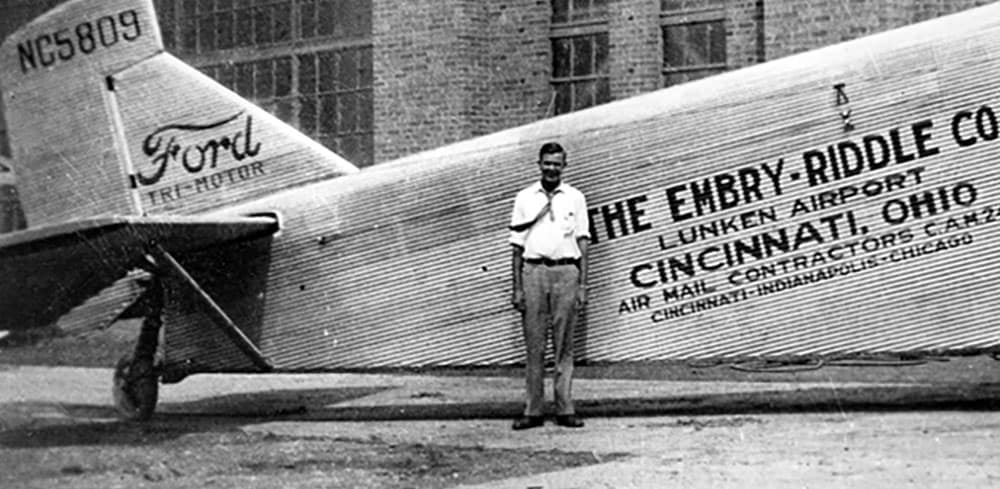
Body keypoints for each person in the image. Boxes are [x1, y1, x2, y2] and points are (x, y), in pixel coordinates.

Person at [508, 142, 590, 430]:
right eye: (547, 163)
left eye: (557, 164)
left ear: (564, 166)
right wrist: (517, 287)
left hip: (566, 272)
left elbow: (583, 240)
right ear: (539, 164)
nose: (552, 168)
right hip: (534, 272)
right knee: (534, 345)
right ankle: (533, 410)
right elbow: (517, 248)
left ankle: (565, 408)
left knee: (564, 345)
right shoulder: (524, 198)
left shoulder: (575, 198)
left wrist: (582, 284)